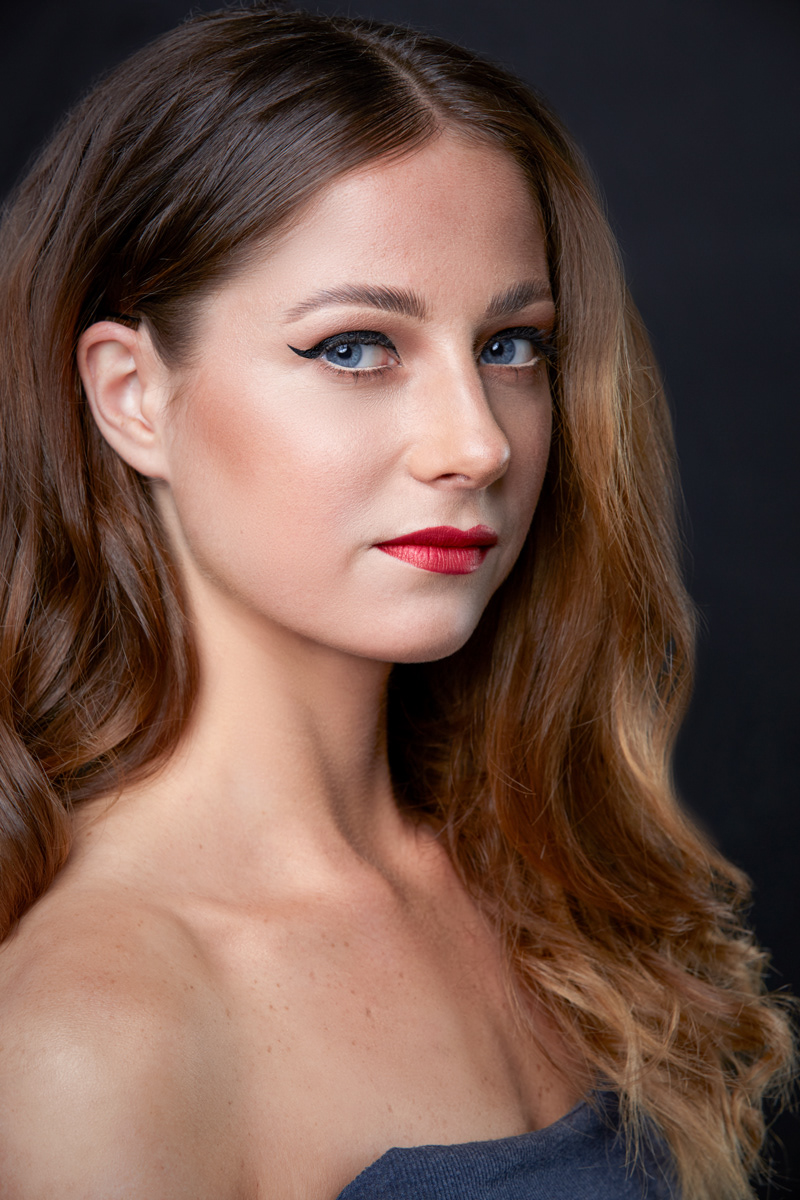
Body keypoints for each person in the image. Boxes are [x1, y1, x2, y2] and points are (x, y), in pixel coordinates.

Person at [0, 5, 793, 1198]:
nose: (476, 444)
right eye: (353, 347)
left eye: (510, 346)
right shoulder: (91, 1041)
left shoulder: (548, 884)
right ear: (132, 396)